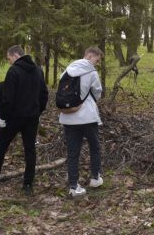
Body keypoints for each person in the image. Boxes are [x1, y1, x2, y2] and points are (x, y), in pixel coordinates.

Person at [0, 45, 48, 194]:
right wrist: (38, 111)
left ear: (14, 55)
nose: (9, 62)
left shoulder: (14, 71)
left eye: (9, 59)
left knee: (1, 146)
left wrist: (3, 117)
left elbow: (8, 98)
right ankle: (28, 184)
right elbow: (44, 94)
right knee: (30, 149)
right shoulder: (38, 70)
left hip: (13, 117)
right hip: (32, 117)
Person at [60, 46, 104, 197]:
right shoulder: (91, 72)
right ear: (90, 56)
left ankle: (73, 186)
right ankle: (95, 178)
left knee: (73, 152)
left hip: (68, 117)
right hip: (87, 117)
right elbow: (97, 92)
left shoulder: (67, 70)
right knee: (95, 147)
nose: (96, 63)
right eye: (97, 60)